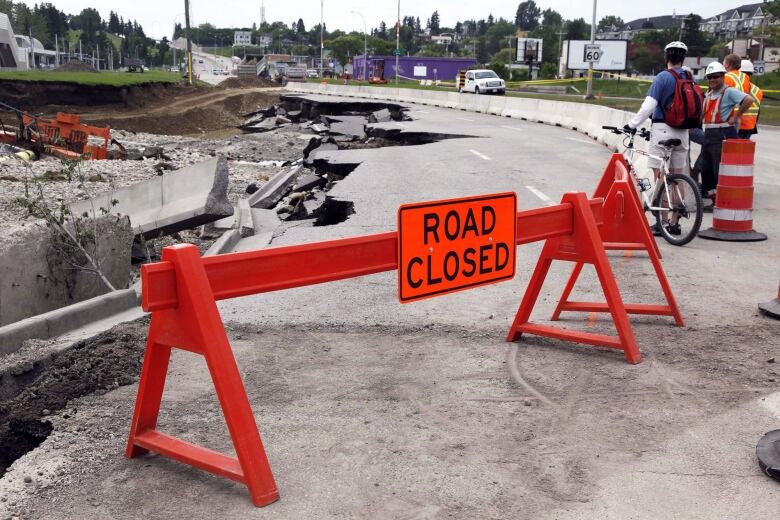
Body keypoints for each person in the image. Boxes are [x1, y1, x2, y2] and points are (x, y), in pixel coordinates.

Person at [625, 41, 691, 178]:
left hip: (663, 130)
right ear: (683, 59)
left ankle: (660, 200)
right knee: (678, 176)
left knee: (660, 175)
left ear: (666, 58)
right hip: (683, 132)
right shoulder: (689, 78)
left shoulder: (663, 77)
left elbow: (649, 105)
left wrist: (632, 125)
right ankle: (680, 200)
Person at [699, 61, 755, 201]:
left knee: (719, 171)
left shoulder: (728, 91)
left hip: (722, 133)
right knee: (706, 170)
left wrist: (735, 117)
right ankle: (714, 199)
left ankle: (724, 201)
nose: (712, 80)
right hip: (709, 134)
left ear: (723, 76)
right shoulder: (709, 94)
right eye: (709, 77)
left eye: (715, 76)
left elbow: (748, 99)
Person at [737, 59, 763, 139]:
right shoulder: (758, 90)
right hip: (750, 127)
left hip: (737, 125)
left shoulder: (738, 87)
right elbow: (757, 111)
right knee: (744, 150)